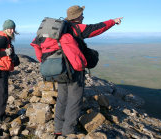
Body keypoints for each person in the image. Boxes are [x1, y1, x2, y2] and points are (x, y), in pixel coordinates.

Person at [53, 5, 123, 136]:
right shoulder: (77, 27)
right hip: (74, 69)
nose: (83, 16)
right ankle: (68, 132)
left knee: (62, 98)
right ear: (76, 17)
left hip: (59, 68)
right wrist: (113, 21)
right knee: (74, 99)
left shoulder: (60, 28)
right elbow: (97, 28)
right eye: (81, 14)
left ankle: (58, 129)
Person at [0, 19, 18, 124]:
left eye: (13, 28)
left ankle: (1, 115)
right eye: (10, 28)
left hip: (2, 68)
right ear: (5, 29)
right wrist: (5, 53)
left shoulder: (6, 38)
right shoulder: (2, 39)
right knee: (2, 93)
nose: (12, 31)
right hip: (0, 69)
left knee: (3, 93)